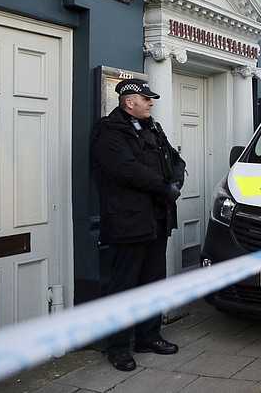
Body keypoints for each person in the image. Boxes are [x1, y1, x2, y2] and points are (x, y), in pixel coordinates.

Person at [92, 79, 186, 372]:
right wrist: (164, 187)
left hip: (157, 218)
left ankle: (148, 337)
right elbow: (127, 170)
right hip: (128, 221)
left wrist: (177, 180)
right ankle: (118, 347)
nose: (151, 103)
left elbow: (175, 159)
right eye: (146, 99)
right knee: (123, 286)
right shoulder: (109, 131)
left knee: (152, 281)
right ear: (129, 101)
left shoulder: (153, 128)